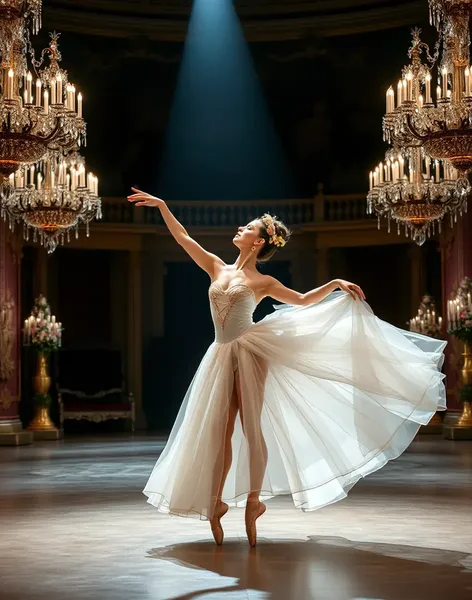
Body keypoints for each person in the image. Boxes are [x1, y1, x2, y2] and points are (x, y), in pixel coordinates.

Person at [128, 188, 446, 548]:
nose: (239, 228)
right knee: (219, 429)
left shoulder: (264, 282)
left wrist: (335, 283)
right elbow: (183, 238)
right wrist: (163, 205)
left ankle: (253, 501)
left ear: (259, 241)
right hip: (219, 354)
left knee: (251, 426)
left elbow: (303, 300)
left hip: (250, 351)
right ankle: (216, 501)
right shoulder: (216, 266)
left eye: (247, 228)